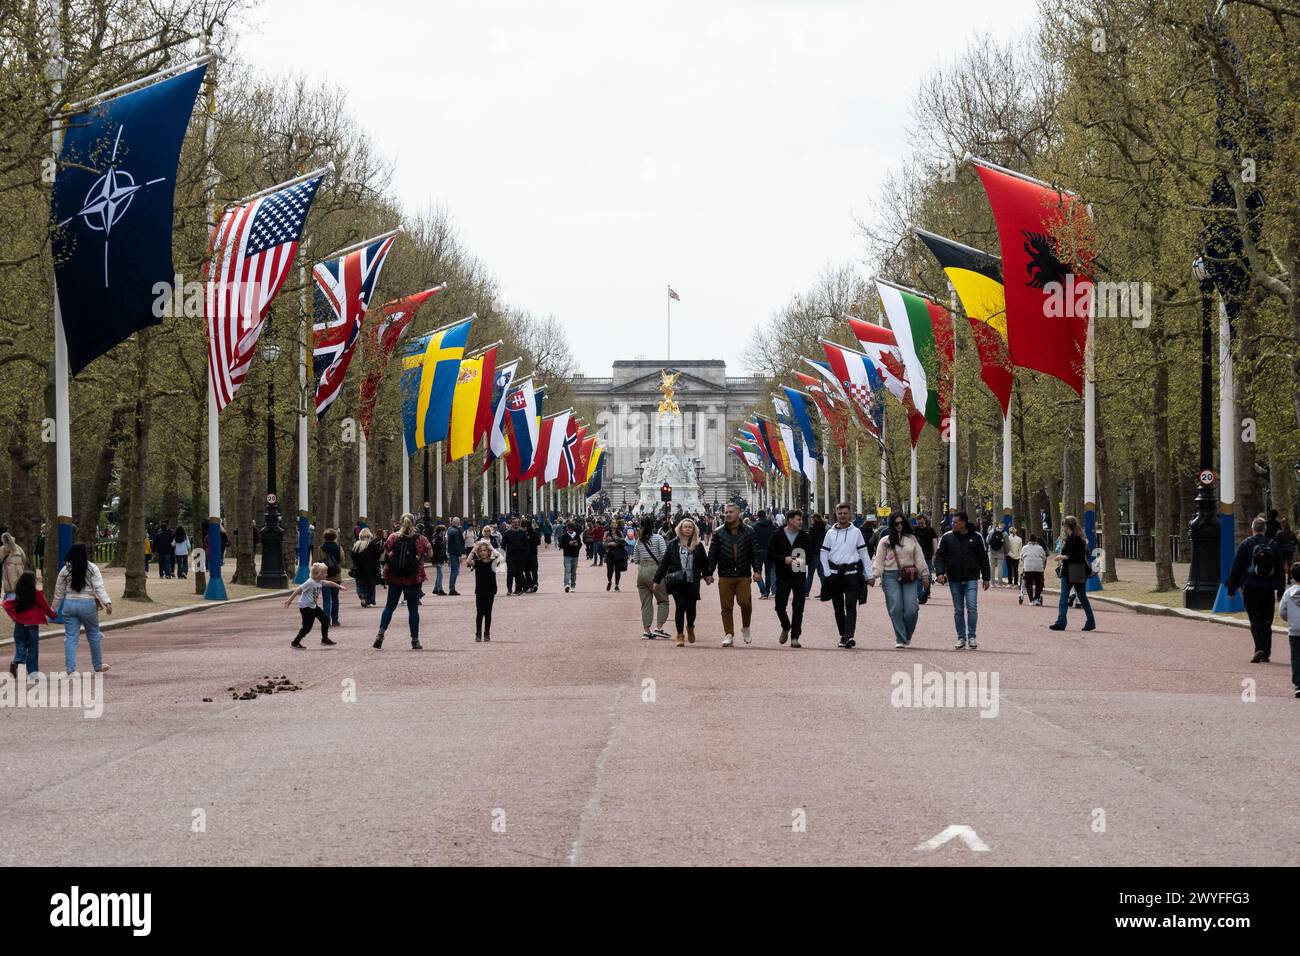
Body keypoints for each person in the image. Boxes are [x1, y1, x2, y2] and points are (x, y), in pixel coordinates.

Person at [1226, 515, 1285, 663]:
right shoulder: (1273, 545)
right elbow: (1279, 569)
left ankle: (1259, 647)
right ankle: (1266, 652)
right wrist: (1280, 590)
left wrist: (1231, 588)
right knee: (1267, 620)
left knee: (1255, 618)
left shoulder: (1246, 544)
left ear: (1252, 529)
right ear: (1265, 530)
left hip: (1251, 586)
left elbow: (1237, 567)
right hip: (1268, 587)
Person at [373, 514, 432, 651]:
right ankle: (415, 640)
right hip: (413, 576)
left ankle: (381, 633)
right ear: (414, 522)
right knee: (413, 609)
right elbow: (430, 555)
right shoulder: (421, 538)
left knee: (389, 607)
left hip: (395, 576)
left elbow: (387, 551)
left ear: (400, 522)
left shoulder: (393, 537)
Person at [707, 502, 762, 647]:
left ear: (738, 513)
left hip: (743, 573)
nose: (728, 514)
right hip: (725, 574)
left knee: (745, 603)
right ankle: (729, 633)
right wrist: (709, 573)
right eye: (726, 512)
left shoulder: (749, 531)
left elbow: (755, 552)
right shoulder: (718, 532)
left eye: (731, 512)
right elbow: (712, 554)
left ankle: (746, 627)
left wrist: (757, 570)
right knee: (726, 606)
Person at [933, 512, 991, 649]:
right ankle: (961, 637)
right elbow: (940, 556)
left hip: (971, 578)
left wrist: (986, 577)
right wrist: (940, 572)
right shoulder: (947, 538)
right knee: (958, 610)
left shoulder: (977, 537)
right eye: (952, 522)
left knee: (972, 607)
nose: (952, 524)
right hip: (954, 579)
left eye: (955, 522)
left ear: (963, 523)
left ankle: (971, 636)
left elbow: (983, 558)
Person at [653, 517, 713, 647]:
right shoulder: (673, 544)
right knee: (680, 606)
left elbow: (704, 562)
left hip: (692, 580)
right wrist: (657, 580)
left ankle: (690, 626)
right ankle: (680, 635)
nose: (687, 529)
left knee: (691, 608)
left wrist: (708, 575)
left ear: (693, 530)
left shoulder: (697, 544)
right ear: (680, 529)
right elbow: (664, 563)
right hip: (677, 580)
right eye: (685, 527)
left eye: (690, 527)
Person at [872, 513, 930, 649]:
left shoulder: (912, 539)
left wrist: (925, 575)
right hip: (889, 575)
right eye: (896, 523)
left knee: (912, 609)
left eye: (901, 523)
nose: (899, 526)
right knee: (895, 607)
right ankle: (900, 637)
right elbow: (879, 561)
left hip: (909, 575)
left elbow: (919, 558)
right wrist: (873, 576)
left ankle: (907, 634)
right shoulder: (885, 541)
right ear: (891, 525)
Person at [53, 543, 113, 673]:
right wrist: (107, 602)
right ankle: (98, 665)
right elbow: (99, 587)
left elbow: (59, 592)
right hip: (88, 604)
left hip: (69, 604)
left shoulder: (65, 570)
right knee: (94, 636)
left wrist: (54, 608)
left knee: (70, 638)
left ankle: (70, 668)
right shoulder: (92, 568)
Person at [821, 503, 871, 648]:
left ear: (850, 515)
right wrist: (827, 573)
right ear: (836, 514)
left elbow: (863, 553)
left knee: (850, 605)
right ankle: (843, 634)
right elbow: (823, 553)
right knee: (838, 607)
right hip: (835, 575)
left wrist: (869, 574)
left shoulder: (856, 532)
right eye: (840, 513)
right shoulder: (830, 533)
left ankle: (849, 636)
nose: (842, 516)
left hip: (851, 575)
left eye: (845, 513)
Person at [766, 508, 812, 647]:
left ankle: (795, 637)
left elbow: (810, 555)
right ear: (790, 520)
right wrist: (783, 559)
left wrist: (802, 560)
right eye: (798, 519)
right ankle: (786, 626)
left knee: (798, 607)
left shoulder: (804, 536)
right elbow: (770, 554)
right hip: (783, 575)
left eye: (801, 519)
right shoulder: (777, 534)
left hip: (799, 575)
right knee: (780, 606)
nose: (801, 522)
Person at [1049, 515, 1097, 633]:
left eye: (1064, 526)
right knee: (1063, 598)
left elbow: (1079, 557)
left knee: (1082, 598)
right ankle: (1061, 622)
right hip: (1067, 572)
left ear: (1067, 526)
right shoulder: (1069, 539)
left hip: (1076, 571)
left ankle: (1090, 621)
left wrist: (1064, 556)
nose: (1063, 528)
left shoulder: (1078, 539)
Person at [5, 570, 57, 677]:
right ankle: (33, 672)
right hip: (32, 623)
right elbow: (45, 607)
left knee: (20, 642)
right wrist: (53, 615)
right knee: (33, 647)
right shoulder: (36, 593)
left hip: (19, 623)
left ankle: (17, 660)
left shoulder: (18, 593)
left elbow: (9, 604)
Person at [285, 563, 345, 647]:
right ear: (319, 573)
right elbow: (298, 589)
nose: (327, 574)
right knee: (307, 627)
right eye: (325, 573)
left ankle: (325, 639)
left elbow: (330, 583)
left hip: (313, 606)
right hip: (306, 607)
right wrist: (289, 601)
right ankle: (295, 642)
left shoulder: (320, 582)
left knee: (325, 619)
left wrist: (340, 587)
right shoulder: (310, 582)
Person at [632, 516, 670, 639]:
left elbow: (636, 559)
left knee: (646, 603)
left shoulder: (639, 541)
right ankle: (659, 628)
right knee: (663, 601)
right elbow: (664, 556)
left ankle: (646, 630)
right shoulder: (658, 538)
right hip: (655, 570)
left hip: (641, 570)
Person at [466, 539, 498, 641]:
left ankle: (487, 633)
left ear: (488, 552)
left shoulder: (493, 562)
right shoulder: (477, 562)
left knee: (488, 612)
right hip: (480, 590)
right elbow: (468, 561)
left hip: (491, 590)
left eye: (485, 550)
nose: (483, 552)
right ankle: (478, 634)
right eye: (481, 551)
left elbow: (501, 558)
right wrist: (474, 549)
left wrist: (491, 547)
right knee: (480, 612)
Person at [1278, 563, 1300, 698]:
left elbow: (1282, 611)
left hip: (1295, 629)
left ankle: (1298, 684)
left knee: (1296, 658)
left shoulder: (1288, 593)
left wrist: (1290, 620)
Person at [350, 527, 383, 607]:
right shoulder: (372, 545)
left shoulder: (356, 545)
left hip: (359, 569)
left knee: (360, 584)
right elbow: (377, 556)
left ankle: (361, 595)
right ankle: (369, 601)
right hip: (371, 568)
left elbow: (353, 556)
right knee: (371, 585)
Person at [319, 529, 344, 626]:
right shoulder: (339, 548)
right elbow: (343, 560)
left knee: (326, 599)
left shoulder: (321, 548)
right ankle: (335, 620)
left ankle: (326, 620)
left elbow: (318, 561)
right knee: (335, 599)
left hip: (324, 577)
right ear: (335, 537)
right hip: (336, 576)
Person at [912, 514, 938, 605]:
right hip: (916, 557)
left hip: (928, 556)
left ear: (925, 521)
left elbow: (934, 541)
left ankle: (927, 591)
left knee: (928, 576)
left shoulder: (930, 530)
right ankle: (920, 595)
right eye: (919, 522)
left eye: (922, 522)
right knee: (919, 577)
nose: (920, 524)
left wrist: (935, 554)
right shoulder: (913, 530)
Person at [750, 510, 776, 599]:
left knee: (757, 571)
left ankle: (763, 591)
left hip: (758, 551)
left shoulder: (754, 526)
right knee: (769, 572)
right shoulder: (772, 526)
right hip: (769, 551)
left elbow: (752, 540)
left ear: (758, 515)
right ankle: (770, 590)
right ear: (765, 515)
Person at [501, 518, 529, 596]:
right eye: (514, 523)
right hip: (510, 555)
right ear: (511, 524)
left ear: (519, 523)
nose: (515, 524)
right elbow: (503, 545)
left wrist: (525, 555)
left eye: (517, 522)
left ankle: (518, 589)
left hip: (520, 555)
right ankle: (509, 589)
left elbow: (526, 545)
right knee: (510, 571)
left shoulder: (522, 533)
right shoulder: (507, 533)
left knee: (519, 573)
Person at [1020, 534, 1048, 606]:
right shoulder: (1040, 548)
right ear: (1036, 541)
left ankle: (1031, 600)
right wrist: (1042, 564)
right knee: (1038, 583)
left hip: (1028, 567)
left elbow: (1021, 558)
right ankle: (1036, 598)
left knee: (1028, 584)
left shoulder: (1024, 548)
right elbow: (1044, 558)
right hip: (1038, 568)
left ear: (1028, 540)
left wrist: (1025, 562)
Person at [805, 512, 827, 598]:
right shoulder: (824, 529)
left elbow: (809, 542)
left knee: (810, 574)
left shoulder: (812, 529)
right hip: (822, 553)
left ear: (814, 519)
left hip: (813, 554)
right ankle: (824, 591)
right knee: (821, 574)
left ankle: (806, 592)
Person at [603, 521, 629, 592]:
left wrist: (616, 539)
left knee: (617, 570)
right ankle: (609, 581)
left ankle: (617, 585)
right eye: (613, 523)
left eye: (616, 523)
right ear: (610, 525)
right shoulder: (607, 533)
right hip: (609, 553)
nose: (615, 524)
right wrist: (610, 544)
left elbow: (624, 541)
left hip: (618, 553)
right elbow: (603, 543)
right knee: (610, 569)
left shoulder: (620, 533)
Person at [1, 531, 27, 599]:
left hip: (10, 578)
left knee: (11, 594)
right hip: (19, 573)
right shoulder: (18, 548)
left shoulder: (2, 549)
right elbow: (24, 559)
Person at [559, 521, 583, 592]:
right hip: (567, 555)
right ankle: (566, 584)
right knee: (567, 570)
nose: (571, 531)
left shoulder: (577, 535)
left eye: (572, 530)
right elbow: (561, 545)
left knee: (573, 571)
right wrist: (568, 543)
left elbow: (580, 544)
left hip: (575, 555)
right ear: (567, 529)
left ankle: (573, 585)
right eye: (569, 529)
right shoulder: (564, 536)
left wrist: (577, 545)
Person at [446, 517, 466, 596]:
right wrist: (460, 555)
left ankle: (452, 588)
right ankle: (452, 589)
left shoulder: (449, 530)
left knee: (453, 571)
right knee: (455, 572)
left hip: (451, 553)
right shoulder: (457, 531)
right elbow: (457, 544)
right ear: (457, 523)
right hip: (455, 554)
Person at [430, 524, 449, 595]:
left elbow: (443, 550)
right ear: (441, 531)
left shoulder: (441, 538)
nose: (445, 532)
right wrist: (433, 561)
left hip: (440, 559)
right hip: (437, 559)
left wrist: (445, 558)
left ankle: (435, 589)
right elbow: (433, 551)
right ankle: (440, 589)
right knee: (440, 575)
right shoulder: (436, 539)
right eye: (444, 531)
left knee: (439, 575)